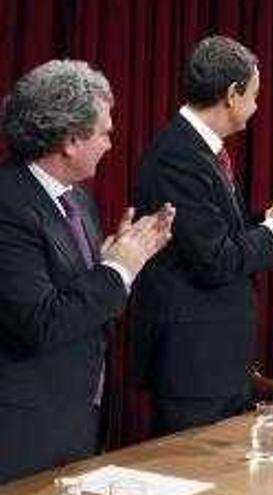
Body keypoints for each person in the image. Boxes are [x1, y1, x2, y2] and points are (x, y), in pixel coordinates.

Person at [131, 36, 273, 435]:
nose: (257, 107)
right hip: (193, 365)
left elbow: (224, 232)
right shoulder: (179, 154)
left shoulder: (203, 150)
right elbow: (215, 259)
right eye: (255, 95)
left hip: (215, 360)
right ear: (232, 94)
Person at [0, 60, 174, 482]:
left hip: (77, 415)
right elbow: (39, 321)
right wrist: (117, 270)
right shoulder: (8, 205)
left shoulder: (77, 200)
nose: (110, 144)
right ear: (71, 141)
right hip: (22, 429)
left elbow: (77, 292)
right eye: (104, 133)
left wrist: (117, 256)